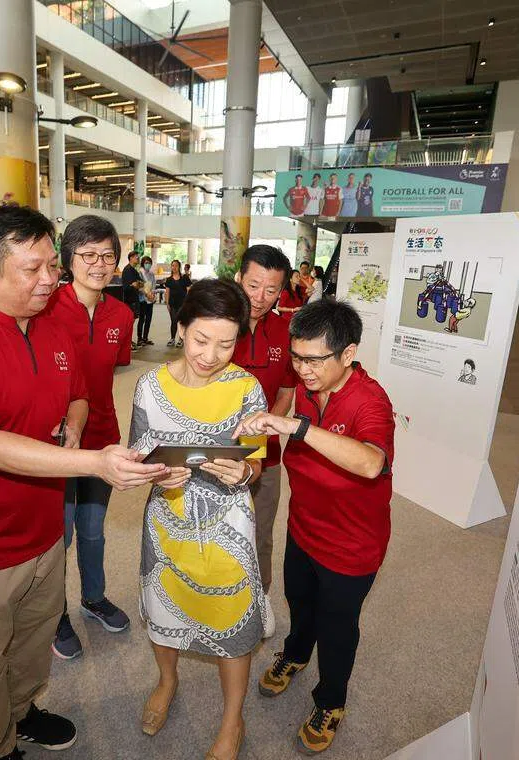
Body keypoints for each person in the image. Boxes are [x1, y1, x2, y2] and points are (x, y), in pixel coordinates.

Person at [0, 205, 166, 760]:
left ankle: (25, 712)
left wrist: (76, 427)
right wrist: (95, 463)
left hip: (43, 527)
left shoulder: (54, 324)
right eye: (33, 269)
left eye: (52, 265)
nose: (50, 279)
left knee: (32, 640)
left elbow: (79, 391)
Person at [242, 300, 394, 755]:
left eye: (314, 360)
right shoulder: (309, 387)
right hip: (304, 527)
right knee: (300, 602)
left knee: (338, 625)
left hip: (352, 545)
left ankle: (331, 700)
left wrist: (297, 428)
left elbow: (370, 463)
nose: (303, 370)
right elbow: (273, 417)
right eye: (297, 357)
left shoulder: (371, 400)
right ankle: (294, 653)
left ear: (347, 354)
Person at [129, 278, 268, 760]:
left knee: (232, 617)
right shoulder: (149, 386)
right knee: (165, 608)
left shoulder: (247, 388)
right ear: (181, 327)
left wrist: (244, 471)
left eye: (226, 344)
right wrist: (155, 477)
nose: (211, 355)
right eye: (200, 340)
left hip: (228, 523)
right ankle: (166, 681)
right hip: (167, 522)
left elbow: (258, 461)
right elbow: (140, 456)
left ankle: (233, 720)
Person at [42, 215, 134, 661]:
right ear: (68, 259)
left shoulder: (122, 313)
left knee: (94, 532)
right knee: (59, 535)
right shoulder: (45, 309)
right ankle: (53, 612)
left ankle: (93, 597)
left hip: (104, 437)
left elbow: (111, 369)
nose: (99, 264)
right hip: (55, 443)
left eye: (108, 255)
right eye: (88, 255)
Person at [231, 245, 298, 638]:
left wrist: (269, 425)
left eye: (270, 290)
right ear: (239, 278)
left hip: (266, 457)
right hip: (217, 451)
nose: (259, 297)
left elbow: (288, 389)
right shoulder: (218, 322)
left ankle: (261, 593)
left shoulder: (284, 331)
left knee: (261, 531)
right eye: (253, 284)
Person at [163, 259, 191, 347]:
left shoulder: (184, 278)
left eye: (176, 265)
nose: (174, 267)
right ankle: (172, 339)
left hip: (182, 303)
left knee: (181, 322)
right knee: (173, 321)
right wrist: (167, 303)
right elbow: (167, 292)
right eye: (172, 265)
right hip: (172, 304)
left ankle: (181, 339)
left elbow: (189, 290)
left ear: (179, 267)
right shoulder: (169, 280)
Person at [121, 250, 144, 349]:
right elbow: (129, 286)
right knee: (128, 322)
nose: (138, 259)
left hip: (134, 299)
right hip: (128, 300)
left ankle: (128, 341)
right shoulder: (127, 270)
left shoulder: (134, 270)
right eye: (136, 257)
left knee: (131, 322)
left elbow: (141, 283)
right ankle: (126, 342)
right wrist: (134, 284)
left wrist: (136, 284)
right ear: (131, 258)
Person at [136, 255, 156, 346]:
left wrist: (152, 294)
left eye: (149, 263)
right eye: (146, 263)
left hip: (150, 299)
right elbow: (139, 286)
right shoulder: (140, 273)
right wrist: (146, 294)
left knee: (148, 319)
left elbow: (154, 285)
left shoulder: (151, 274)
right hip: (143, 299)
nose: (148, 264)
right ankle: (139, 339)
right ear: (143, 263)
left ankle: (145, 338)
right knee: (142, 319)